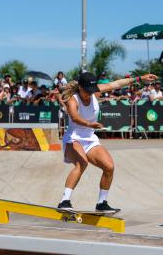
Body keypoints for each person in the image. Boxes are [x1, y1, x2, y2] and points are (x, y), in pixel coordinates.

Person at [57, 72, 157, 211]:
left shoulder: (95, 92)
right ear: (80, 87)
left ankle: (101, 203)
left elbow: (116, 84)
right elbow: (74, 118)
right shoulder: (72, 100)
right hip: (74, 138)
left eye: (91, 91)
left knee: (109, 167)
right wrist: (89, 124)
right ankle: (64, 201)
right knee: (82, 163)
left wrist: (139, 78)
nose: (89, 94)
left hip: (90, 139)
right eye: (86, 91)